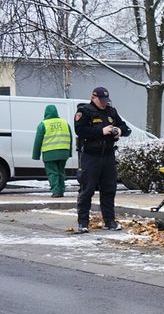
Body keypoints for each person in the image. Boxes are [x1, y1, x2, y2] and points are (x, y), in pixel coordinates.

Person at [74, 87, 130, 233]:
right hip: (91, 156)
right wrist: (101, 131)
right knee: (87, 189)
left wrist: (119, 131)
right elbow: (80, 131)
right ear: (93, 98)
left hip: (108, 155)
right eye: (101, 100)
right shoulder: (84, 111)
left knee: (109, 189)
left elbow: (126, 128)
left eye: (106, 100)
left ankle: (109, 221)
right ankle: (83, 222)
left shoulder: (111, 111)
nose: (104, 103)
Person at [31, 104, 73, 197]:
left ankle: (56, 191)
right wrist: (69, 153)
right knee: (61, 171)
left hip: (50, 153)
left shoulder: (43, 124)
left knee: (52, 172)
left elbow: (38, 141)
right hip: (63, 153)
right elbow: (70, 138)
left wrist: (36, 155)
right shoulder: (64, 123)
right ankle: (61, 191)